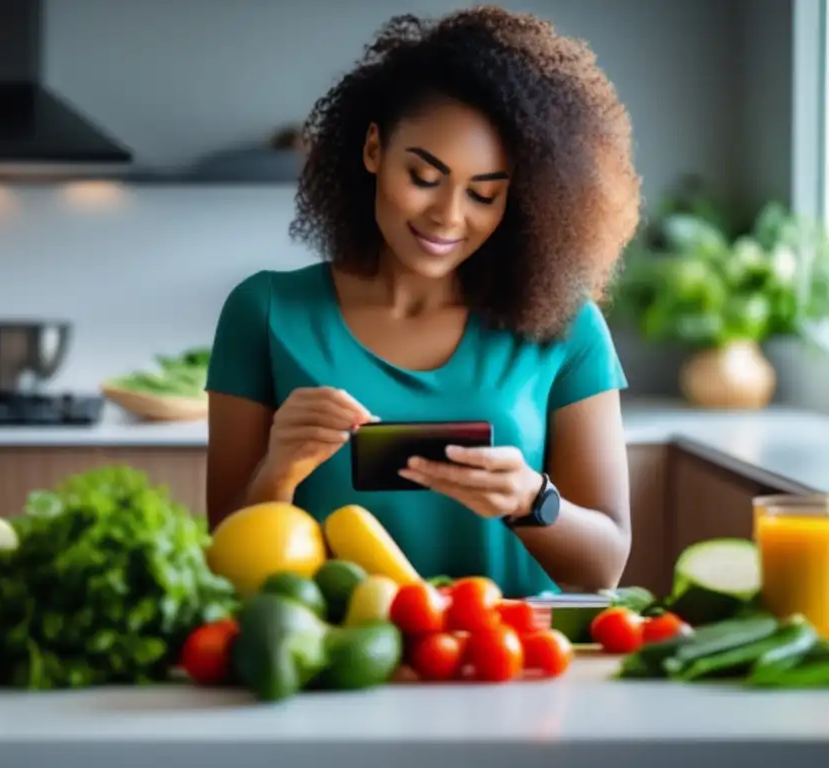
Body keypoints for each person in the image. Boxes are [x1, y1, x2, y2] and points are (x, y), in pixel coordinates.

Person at [204, 5, 641, 597]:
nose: (448, 216)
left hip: (508, 662)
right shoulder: (265, 312)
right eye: (425, 178)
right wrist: (276, 473)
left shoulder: (566, 326)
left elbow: (603, 567)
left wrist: (529, 499)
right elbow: (225, 557)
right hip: (334, 664)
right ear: (374, 151)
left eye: (484, 195)